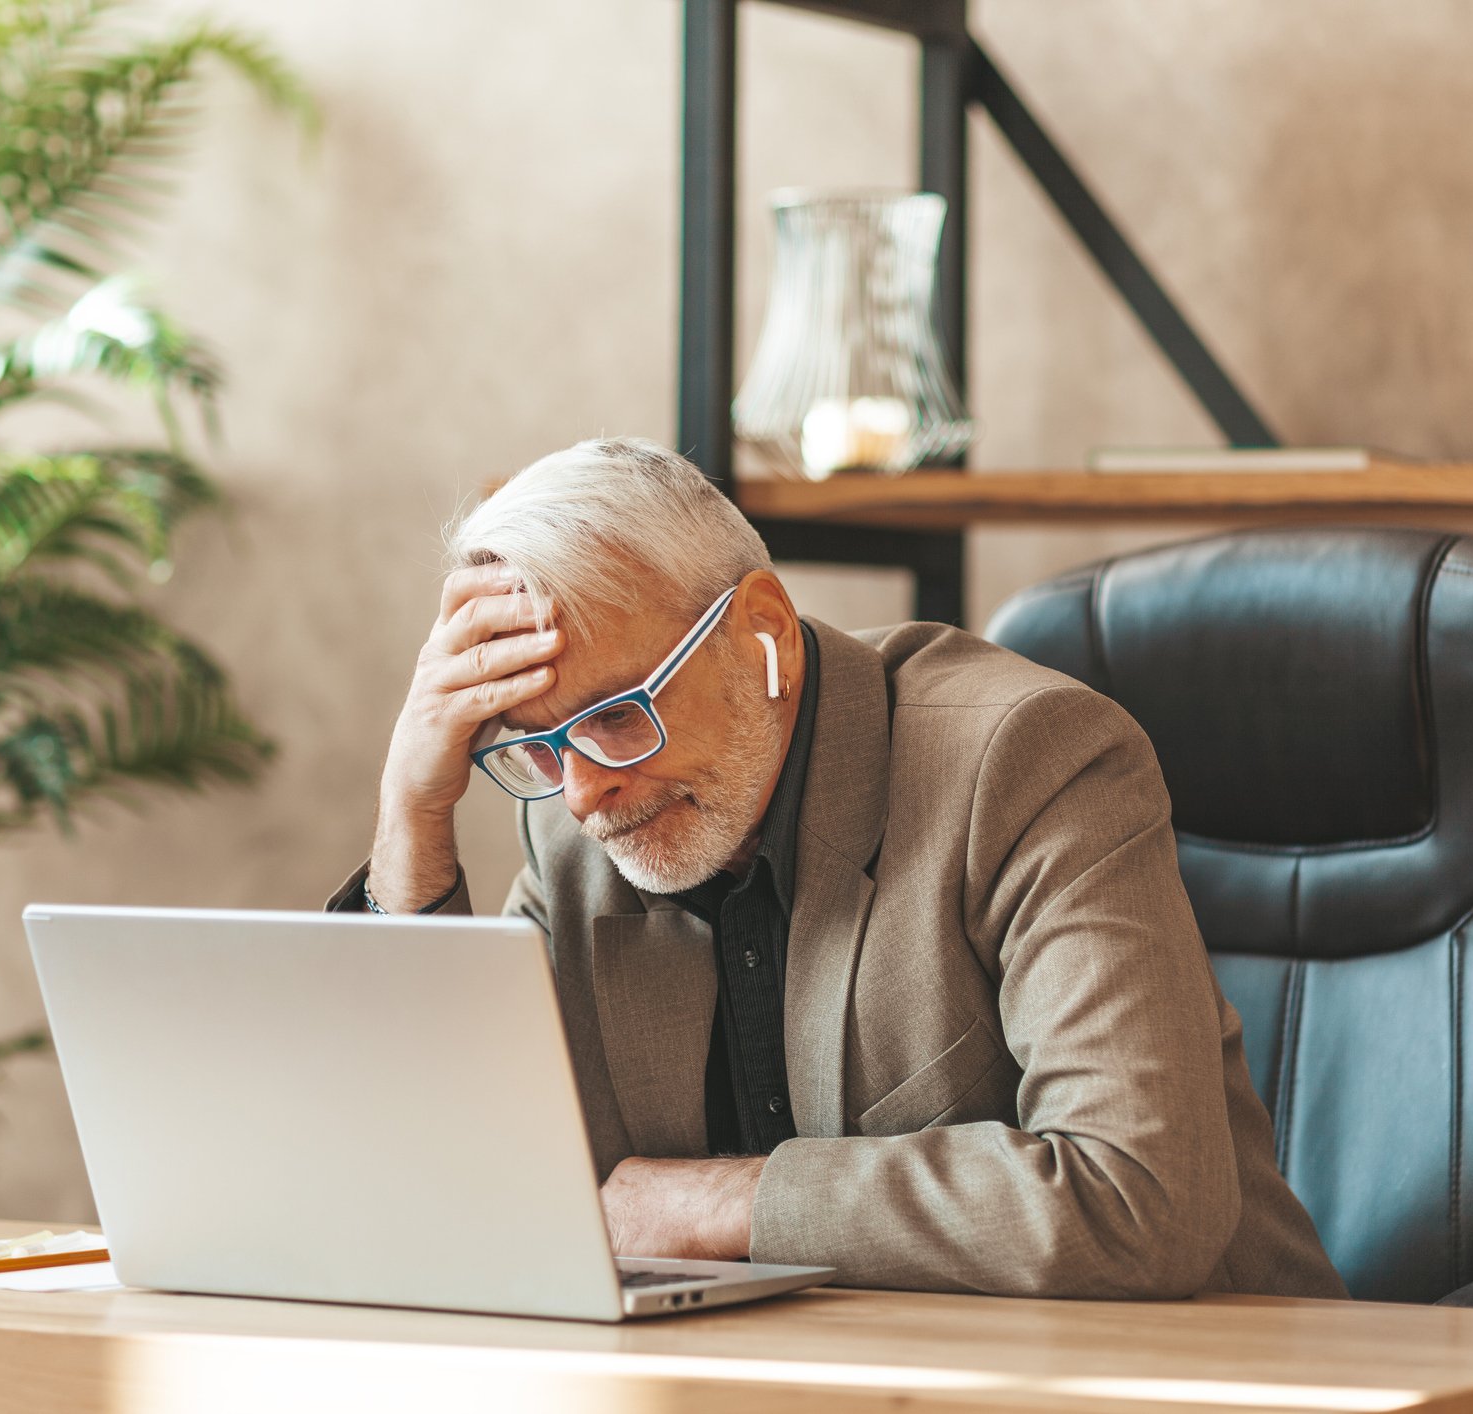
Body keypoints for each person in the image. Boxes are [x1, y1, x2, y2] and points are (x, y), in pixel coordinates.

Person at [331, 437, 1346, 1299]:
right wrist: (411, 822)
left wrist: (711, 1203)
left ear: (761, 634)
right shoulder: (573, 824)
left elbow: (1137, 1196)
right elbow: (451, 1199)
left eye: (617, 719)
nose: (586, 791)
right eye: (535, 747)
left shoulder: (1028, 761)